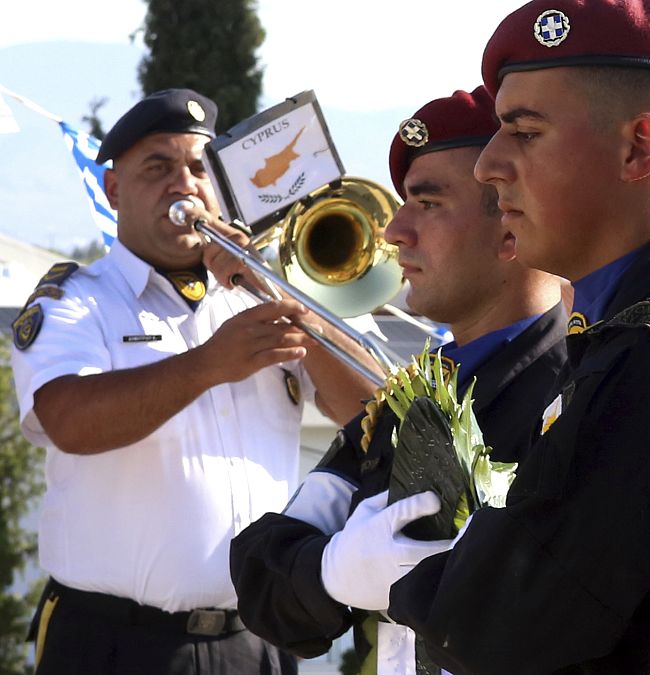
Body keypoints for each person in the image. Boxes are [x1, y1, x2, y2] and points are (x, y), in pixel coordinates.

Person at [374, 2, 650, 673]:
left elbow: (494, 624)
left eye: (525, 132)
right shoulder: (645, 324)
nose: (489, 165)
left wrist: (411, 579)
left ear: (639, 149)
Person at [10, 89, 379, 675]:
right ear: (112, 191)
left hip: (257, 634)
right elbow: (68, 421)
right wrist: (208, 364)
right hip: (113, 640)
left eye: (199, 169)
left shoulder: (263, 297)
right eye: (158, 168)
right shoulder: (77, 302)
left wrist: (286, 299)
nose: (184, 185)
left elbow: (373, 410)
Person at [228, 87, 568, 673]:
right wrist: (331, 572)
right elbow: (263, 579)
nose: (394, 232)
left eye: (428, 204)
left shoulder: (582, 388)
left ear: (511, 225)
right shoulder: (407, 398)